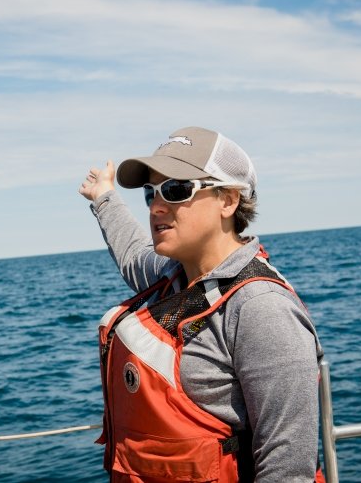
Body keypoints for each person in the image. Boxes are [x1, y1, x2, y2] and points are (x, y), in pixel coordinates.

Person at [79, 126, 325, 483]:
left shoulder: (262, 309)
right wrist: (104, 197)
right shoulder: (171, 279)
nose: (157, 207)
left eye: (176, 189)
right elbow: (132, 253)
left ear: (228, 200)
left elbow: (287, 469)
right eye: (151, 194)